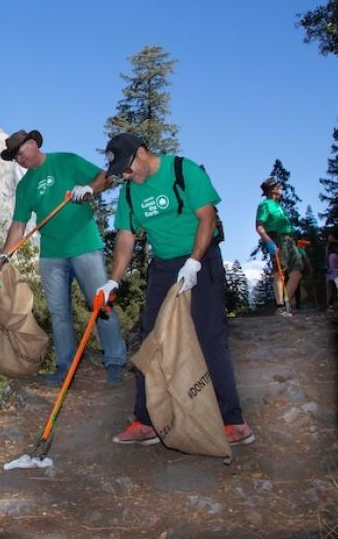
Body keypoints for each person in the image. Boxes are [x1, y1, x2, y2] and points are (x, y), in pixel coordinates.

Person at [96, 133, 254, 447]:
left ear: (141, 153)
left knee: (210, 337)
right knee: (151, 340)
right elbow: (126, 240)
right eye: (121, 174)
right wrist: (113, 280)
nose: (126, 177)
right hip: (164, 266)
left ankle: (233, 421)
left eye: (128, 169)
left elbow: (206, 218)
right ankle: (146, 421)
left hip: (201, 257)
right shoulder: (130, 193)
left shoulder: (184, 171)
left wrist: (194, 262)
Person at [0, 129, 127, 386]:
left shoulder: (66, 161)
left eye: (21, 153)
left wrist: (89, 188)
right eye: (15, 158)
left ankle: (115, 361)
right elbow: (18, 226)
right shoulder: (24, 187)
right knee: (59, 313)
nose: (20, 160)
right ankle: (65, 368)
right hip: (51, 254)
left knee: (100, 304)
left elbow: (107, 178)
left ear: (33, 144)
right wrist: (3, 256)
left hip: (85, 246)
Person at [255, 178, 303, 316]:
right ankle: (280, 306)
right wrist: (270, 242)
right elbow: (259, 226)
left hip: (289, 239)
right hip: (277, 238)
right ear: (271, 189)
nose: (280, 187)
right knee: (279, 272)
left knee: (297, 270)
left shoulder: (278, 205)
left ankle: (287, 302)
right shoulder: (265, 205)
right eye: (278, 186)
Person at [326, 239, 338, 311]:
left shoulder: (330, 255)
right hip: (337, 276)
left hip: (333, 276)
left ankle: (331, 306)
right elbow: (336, 265)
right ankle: (334, 306)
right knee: (336, 292)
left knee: (334, 291)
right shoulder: (334, 255)